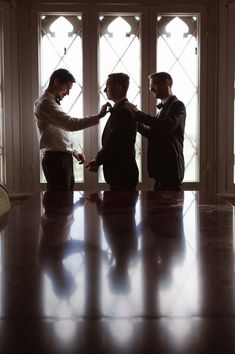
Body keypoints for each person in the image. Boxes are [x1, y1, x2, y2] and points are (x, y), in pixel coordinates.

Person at [34, 68, 108, 191]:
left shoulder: (52, 102)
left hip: (61, 159)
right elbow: (70, 124)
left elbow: (59, 132)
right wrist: (98, 116)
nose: (67, 93)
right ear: (56, 82)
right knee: (60, 204)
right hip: (56, 161)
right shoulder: (45, 103)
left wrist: (73, 151)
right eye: (67, 88)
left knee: (65, 202)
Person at [86, 73, 139, 191]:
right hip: (119, 172)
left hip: (123, 173)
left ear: (118, 88)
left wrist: (98, 160)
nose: (105, 90)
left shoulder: (124, 111)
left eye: (107, 86)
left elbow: (115, 143)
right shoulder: (121, 109)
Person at [135, 72, 186, 191]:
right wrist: (135, 122)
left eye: (154, 85)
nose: (151, 89)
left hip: (171, 171)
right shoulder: (162, 110)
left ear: (166, 83)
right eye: (149, 86)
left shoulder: (178, 105)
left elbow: (166, 126)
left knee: (171, 209)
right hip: (160, 172)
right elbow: (153, 134)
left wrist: (139, 115)